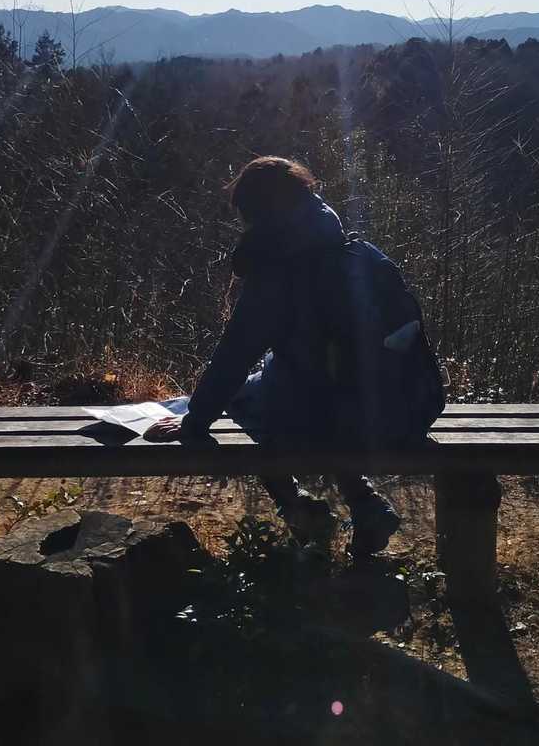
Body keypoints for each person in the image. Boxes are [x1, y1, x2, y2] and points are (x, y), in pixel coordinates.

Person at [144, 156, 444, 558]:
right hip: (405, 411)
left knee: (252, 399)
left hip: (339, 421)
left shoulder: (279, 271)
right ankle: (365, 505)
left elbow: (234, 356)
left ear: (257, 213)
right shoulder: (361, 252)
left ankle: (299, 509)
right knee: (319, 391)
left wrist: (193, 422)